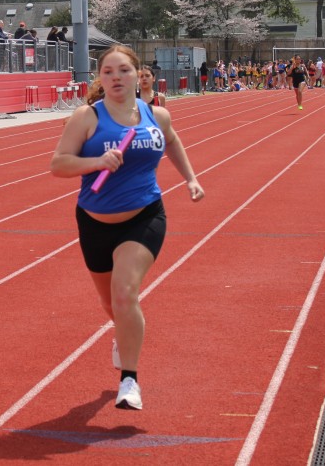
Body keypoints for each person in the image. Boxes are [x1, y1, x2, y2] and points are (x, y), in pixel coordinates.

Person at [50, 44, 204, 411]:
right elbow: (59, 164)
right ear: (99, 79)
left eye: (123, 70)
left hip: (144, 216)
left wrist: (191, 179)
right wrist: (96, 162)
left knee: (124, 294)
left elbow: (172, 141)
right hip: (94, 221)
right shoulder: (87, 117)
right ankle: (124, 333)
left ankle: (129, 381)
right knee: (110, 303)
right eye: (108, 72)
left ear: (138, 75)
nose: (116, 77)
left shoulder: (156, 114)